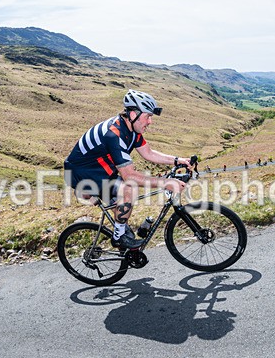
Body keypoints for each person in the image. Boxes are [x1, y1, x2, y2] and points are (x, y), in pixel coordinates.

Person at [63, 89, 191, 249]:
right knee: (128, 189)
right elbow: (130, 176)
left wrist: (178, 160)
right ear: (133, 114)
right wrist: (166, 182)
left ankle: (123, 234)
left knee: (122, 204)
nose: (150, 121)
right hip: (81, 173)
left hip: (101, 170)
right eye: (148, 116)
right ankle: (119, 238)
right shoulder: (114, 134)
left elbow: (148, 153)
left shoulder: (131, 129)